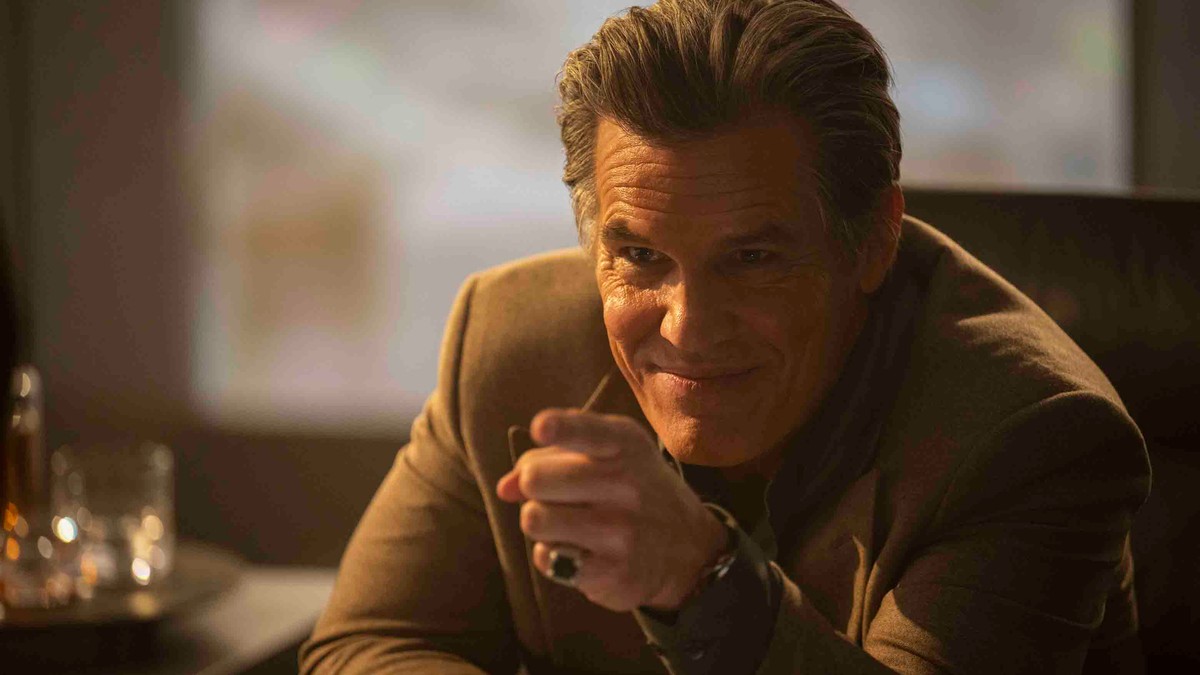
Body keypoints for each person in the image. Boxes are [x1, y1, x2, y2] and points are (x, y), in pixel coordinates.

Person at [300, 1, 1150, 673]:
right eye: (640, 256)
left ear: (873, 240)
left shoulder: (1033, 438)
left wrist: (703, 584)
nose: (688, 326)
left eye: (752, 259)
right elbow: (366, 646)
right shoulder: (509, 340)